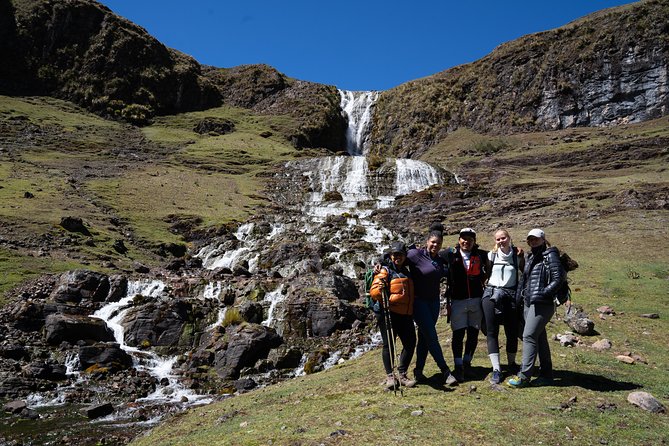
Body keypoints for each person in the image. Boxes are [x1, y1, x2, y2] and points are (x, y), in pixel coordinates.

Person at [508, 228, 566, 388]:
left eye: (536, 239)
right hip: (529, 302)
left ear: (543, 239)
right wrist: (518, 298)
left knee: (529, 336)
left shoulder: (550, 255)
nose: (533, 241)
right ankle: (546, 375)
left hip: (542, 303)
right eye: (530, 239)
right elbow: (524, 280)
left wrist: (544, 293)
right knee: (539, 337)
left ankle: (524, 376)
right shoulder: (530, 256)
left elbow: (558, 278)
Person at [407, 227, 458, 386]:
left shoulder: (440, 259)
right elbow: (396, 256)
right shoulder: (415, 255)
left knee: (424, 338)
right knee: (431, 335)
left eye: (438, 243)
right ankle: (445, 371)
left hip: (434, 303)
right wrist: (382, 263)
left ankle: (418, 371)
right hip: (419, 302)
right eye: (433, 242)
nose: (435, 245)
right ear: (427, 242)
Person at [369, 241, 417, 390]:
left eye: (400, 254)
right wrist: (380, 289)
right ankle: (391, 376)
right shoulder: (385, 270)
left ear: (404, 256)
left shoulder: (407, 271)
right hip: (389, 313)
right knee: (388, 345)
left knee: (410, 343)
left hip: (406, 314)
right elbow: (374, 292)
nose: (398, 257)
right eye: (395, 254)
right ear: (390, 255)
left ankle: (402, 374)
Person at [442, 228, 488, 383]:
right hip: (457, 301)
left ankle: (467, 363)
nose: (466, 242)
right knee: (458, 334)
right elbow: (428, 254)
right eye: (463, 238)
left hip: (476, 300)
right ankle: (458, 366)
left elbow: (502, 252)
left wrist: (517, 250)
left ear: (474, 241)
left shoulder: (481, 255)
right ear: (459, 239)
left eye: (469, 239)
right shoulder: (450, 255)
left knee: (473, 333)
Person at [482, 229, 524, 384]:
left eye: (503, 238)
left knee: (511, 331)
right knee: (492, 332)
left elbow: (524, 272)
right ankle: (496, 369)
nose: (501, 241)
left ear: (509, 238)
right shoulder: (491, 255)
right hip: (491, 294)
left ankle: (512, 364)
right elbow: (486, 273)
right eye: (498, 239)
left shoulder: (517, 255)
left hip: (510, 296)